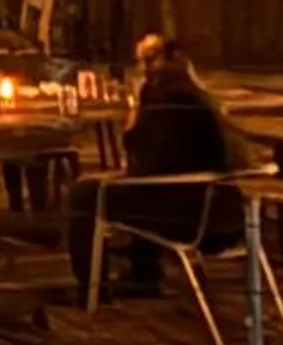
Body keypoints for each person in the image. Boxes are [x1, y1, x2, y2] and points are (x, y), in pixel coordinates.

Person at [66, 34, 249, 292]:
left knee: (84, 193)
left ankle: (92, 286)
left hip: (183, 218)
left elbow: (139, 154)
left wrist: (135, 109)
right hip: (225, 214)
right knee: (141, 187)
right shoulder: (203, 101)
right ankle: (143, 272)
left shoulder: (160, 102)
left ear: (148, 69)